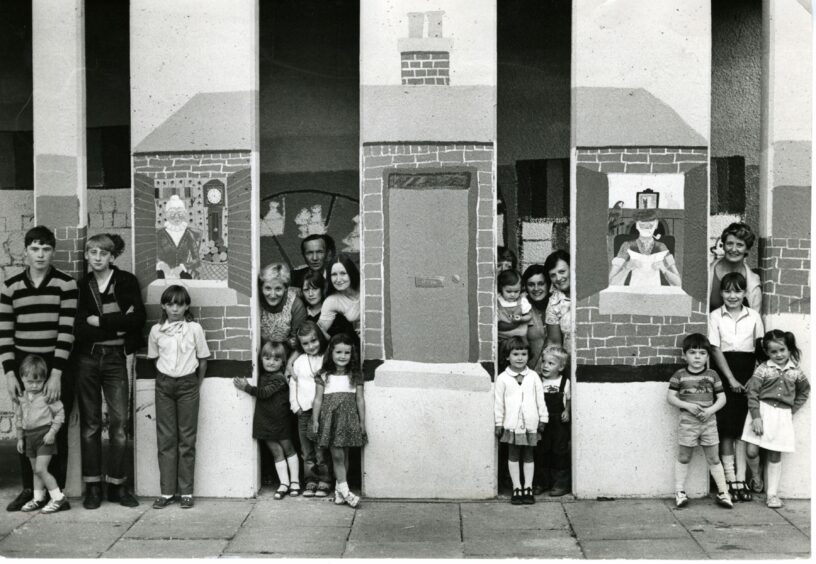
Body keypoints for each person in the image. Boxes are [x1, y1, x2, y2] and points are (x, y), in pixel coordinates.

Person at [2, 225, 78, 512]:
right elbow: (5, 332)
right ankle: (28, 490)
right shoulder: (11, 287)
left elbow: (66, 330)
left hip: (56, 364)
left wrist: (57, 373)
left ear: (53, 252)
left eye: (46, 249)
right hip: (23, 365)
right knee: (26, 426)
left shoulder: (66, 284)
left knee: (53, 429)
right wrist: (9, 373)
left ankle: (56, 494)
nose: (41, 254)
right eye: (35, 248)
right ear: (26, 251)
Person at [74, 233, 145, 509]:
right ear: (86, 256)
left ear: (112, 256)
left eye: (103, 253)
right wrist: (116, 322)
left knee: (119, 423)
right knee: (91, 425)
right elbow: (79, 327)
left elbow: (137, 319)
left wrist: (100, 320)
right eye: (92, 252)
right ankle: (93, 487)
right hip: (87, 358)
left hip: (115, 357)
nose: (97, 257)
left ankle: (117, 486)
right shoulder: (82, 286)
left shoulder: (125, 281)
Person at [147, 285, 210, 509]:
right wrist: (166, 377)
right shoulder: (156, 331)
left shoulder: (194, 329)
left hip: (188, 384)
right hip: (164, 384)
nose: (175, 308)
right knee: (166, 439)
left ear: (186, 306)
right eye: (170, 303)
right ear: (163, 305)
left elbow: (203, 359)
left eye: (180, 304)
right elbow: (154, 358)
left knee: (187, 439)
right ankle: (166, 492)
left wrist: (195, 383)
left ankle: (186, 491)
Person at [708, 272, 764, 503]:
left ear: (744, 293)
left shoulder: (753, 316)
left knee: (743, 427)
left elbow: (761, 348)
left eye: (738, 290)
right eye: (728, 291)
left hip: (748, 370)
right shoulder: (714, 316)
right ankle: (731, 479)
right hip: (725, 371)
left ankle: (742, 478)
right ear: (721, 293)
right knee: (726, 427)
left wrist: (754, 377)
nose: (733, 296)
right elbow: (715, 349)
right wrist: (730, 379)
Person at [742, 330, 810, 508]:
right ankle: (756, 476)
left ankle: (772, 494)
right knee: (751, 451)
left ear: (789, 349)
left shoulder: (796, 372)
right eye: (773, 352)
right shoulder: (763, 369)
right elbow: (753, 393)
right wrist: (756, 417)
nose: (779, 355)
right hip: (761, 412)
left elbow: (804, 392)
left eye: (782, 350)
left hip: (782, 415)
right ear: (767, 353)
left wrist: (790, 411)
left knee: (774, 454)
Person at [666, 333, 732, 509]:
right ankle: (680, 491)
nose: (697, 356)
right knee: (684, 456)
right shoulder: (679, 375)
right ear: (684, 355)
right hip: (688, 422)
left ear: (708, 356)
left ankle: (723, 492)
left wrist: (710, 410)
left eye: (702, 353)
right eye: (693, 352)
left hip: (709, 423)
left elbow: (722, 398)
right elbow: (671, 397)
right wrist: (687, 406)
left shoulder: (712, 375)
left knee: (714, 458)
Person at [234, 340, 300, 500]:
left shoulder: (279, 378)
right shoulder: (262, 375)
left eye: (276, 359)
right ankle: (284, 483)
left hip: (280, 419)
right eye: (267, 358)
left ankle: (295, 481)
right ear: (261, 358)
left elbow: (264, 393)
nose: (271, 362)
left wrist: (246, 388)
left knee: (288, 449)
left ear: (282, 362)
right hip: (265, 419)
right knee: (276, 452)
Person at [311, 333, 366, 508]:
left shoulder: (355, 375)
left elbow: (359, 399)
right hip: (331, 419)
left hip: (348, 418)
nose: (342, 356)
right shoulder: (324, 375)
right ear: (331, 353)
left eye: (347, 353)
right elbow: (318, 399)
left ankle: (338, 491)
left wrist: (362, 422)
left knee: (344, 455)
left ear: (352, 354)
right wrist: (315, 420)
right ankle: (346, 492)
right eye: (339, 352)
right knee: (336, 455)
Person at [494, 337, 547, 505]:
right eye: (515, 354)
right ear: (507, 356)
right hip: (512, 424)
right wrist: (499, 423)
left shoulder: (533, 377)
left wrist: (543, 418)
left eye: (523, 354)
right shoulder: (503, 378)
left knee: (529, 455)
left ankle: (528, 487)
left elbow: (540, 399)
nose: (520, 358)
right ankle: (517, 487)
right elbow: (499, 403)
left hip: (531, 424)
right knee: (514, 455)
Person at [13, 354, 68, 513]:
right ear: (22, 378)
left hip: (45, 436)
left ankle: (58, 497)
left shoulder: (47, 395)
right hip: (29, 437)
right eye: (30, 381)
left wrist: (52, 432)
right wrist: (20, 438)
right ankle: (38, 498)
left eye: (39, 381)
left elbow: (60, 414)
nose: (35, 385)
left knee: (41, 469)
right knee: (34, 470)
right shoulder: (21, 397)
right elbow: (19, 417)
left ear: (45, 379)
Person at [290, 321, 333, 498]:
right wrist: (296, 406)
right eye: (305, 343)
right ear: (300, 345)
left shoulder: (327, 357)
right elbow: (294, 383)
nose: (311, 346)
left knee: (321, 448)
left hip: (322, 410)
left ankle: (325, 480)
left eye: (314, 341)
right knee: (307, 450)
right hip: (304, 412)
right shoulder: (299, 361)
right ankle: (310, 480)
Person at [533, 346, 571, 497]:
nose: (545, 366)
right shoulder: (537, 380)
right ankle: (541, 483)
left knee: (559, 452)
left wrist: (566, 410)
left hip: (558, 423)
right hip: (542, 421)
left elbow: (567, 399)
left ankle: (560, 484)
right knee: (541, 451)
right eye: (543, 362)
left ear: (560, 367)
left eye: (550, 363)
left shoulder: (564, 382)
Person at [609, 208, 681, 287]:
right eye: (642, 225)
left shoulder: (662, 247)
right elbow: (611, 281)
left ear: (656, 225)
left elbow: (679, 283)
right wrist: (627, 268)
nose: (647, 229)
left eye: (650, 226)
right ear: (636, 225)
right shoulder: (627, 246)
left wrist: (664, 269)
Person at [709, 222, 762, 312]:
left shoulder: (753, 283)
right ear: (724, 246)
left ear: (747, 249)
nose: (733, 249)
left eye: (739, 245)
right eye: (730, 243)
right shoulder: (707, 273)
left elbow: (755, 320)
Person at [258, 263, 307, 351]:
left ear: (286, 288)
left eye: (278, 289)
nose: (272, 295)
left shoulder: (296, 305)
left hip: (285, 354)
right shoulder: (256, 301)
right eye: (268, 288)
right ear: (261, 288)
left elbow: (297, 343)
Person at [156, 195, 201, 280]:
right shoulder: (159, 234)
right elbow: (153, 256)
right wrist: (162, 265)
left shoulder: (188, 234)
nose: (177, 217)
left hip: (182, 274)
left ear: (184, 213)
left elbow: (197, 260)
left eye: (180, 214)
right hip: (162, 274)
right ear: (166, 214)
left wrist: (183, 266)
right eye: (172, 214)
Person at [317, 254, 360, 341]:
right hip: (363, 342)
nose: (338, 279)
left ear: (351, 273)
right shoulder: (332, 300)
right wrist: (331, 341)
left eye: (343, 273)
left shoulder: (366, 285)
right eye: (334, 274)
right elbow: (317, 332)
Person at [521, 264, 549, 370]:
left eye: (541, 284)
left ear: (548, 284)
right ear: (526, 287)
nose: (536, 289)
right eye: (531, 284)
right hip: (528, 372)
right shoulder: (521, 306)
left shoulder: (557, 304)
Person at [543, 250, 572, 352]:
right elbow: (555, 345)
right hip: (571, 364)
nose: (558, 278)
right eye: (553, 275)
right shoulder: (554, 304)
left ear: (572, 268)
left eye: (562, 272)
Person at [497, 269, 532, 346]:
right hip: (501, 335)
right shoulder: (498, 300)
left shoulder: (522, 301)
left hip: (518, 336)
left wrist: (521, 318)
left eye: (516, 291)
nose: (512, 295)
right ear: (501, 288)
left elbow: (529, 316)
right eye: (508, 291)